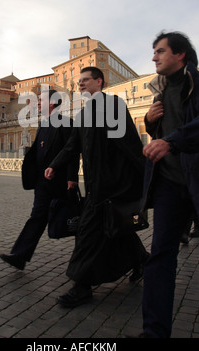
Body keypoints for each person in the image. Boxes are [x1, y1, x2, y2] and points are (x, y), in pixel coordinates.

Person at [45, 66, 149, 307]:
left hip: (111, 185)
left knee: (87, 233)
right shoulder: (83, 113)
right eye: (79, 81)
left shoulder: (113, 106)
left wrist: (139, 178)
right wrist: (55, 165)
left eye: (85, 80)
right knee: (113, 227)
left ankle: (81, 287)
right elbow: (72, 145)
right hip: (95, 185)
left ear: (99, 82)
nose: (80, 85)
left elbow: (129, 144)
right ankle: (142, 259)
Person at [141, 31, 199, 338]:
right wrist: (150, 121)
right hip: (169, 187)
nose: (154, 57)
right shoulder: (158, 93)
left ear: (181, 55)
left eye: (160, 51)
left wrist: (172, 142)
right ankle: (154, 333)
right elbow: (161, 136)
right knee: (160, 257)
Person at [0, 89, 79, 270]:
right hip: (43, 182)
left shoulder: (67, 123)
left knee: (75, 220)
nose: (37, 104)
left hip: (61, 181)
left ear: (52, 103)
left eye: (40, 100)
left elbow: (72, 151)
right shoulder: (43, 125)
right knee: (37, 217)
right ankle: (20, 256)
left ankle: (86, 260)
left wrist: (72, 178)